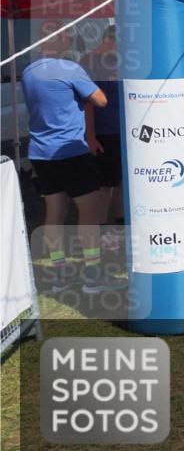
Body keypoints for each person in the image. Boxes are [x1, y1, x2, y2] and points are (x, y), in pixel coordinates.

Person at [22, 21, 123, 293]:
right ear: (59, 40)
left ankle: (59, 275)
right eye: (67, 36)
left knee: (54, 211)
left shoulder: (29, 70)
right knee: (89, 212)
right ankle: (93, 274)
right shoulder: (70, 68)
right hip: (70, 150)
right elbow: (100, 100)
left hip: (40, 152)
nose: (70, 40)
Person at [80, 26, 125, 233]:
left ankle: (120, 223)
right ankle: (102, 227)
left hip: (126, 130)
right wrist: (90, 136)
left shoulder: (125, 60)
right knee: (105, 184)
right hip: (104, 132)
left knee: (122, 181)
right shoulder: (91, 61)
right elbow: (87, 102)